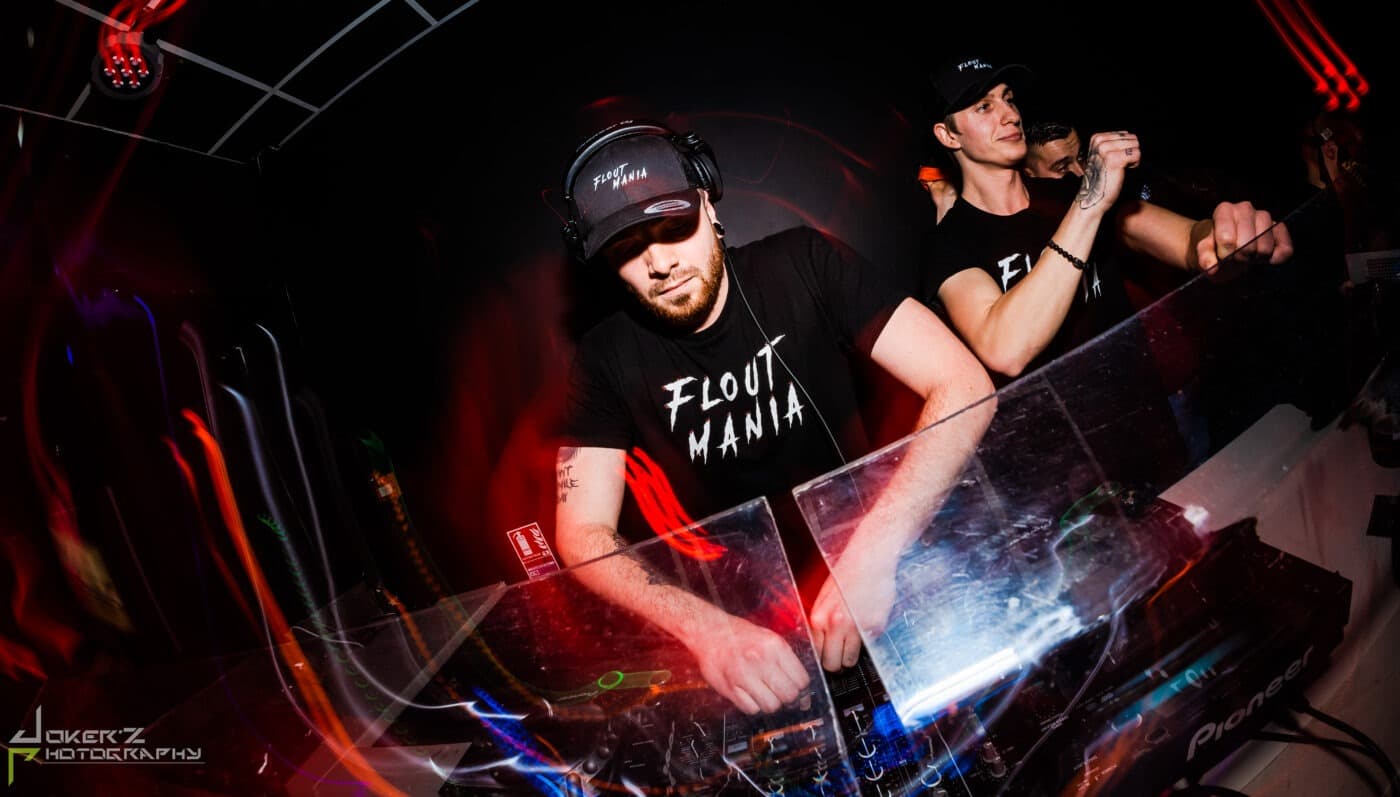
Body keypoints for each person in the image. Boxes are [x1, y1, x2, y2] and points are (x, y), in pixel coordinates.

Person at [554, 120, 994, 714]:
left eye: (673, 226)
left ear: (708, 204)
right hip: (757, 628)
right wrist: (706, 631)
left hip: (882, 564)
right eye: (627, 248)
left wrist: (873, 554)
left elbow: (964, 383)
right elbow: (581, 533)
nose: (659, 262)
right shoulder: (604, 356)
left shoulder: (806, 262)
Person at [920, 56, 1294, 383]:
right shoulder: (950, 243)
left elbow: (1188, 239)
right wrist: (1090, 203)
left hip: (1148, 410)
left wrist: (1225, 234)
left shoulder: (1066, 194)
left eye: (1009, 99)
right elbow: (1005, 349)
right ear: (948, 135)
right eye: (984, 107)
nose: (1011, 115)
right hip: (1060, 438)